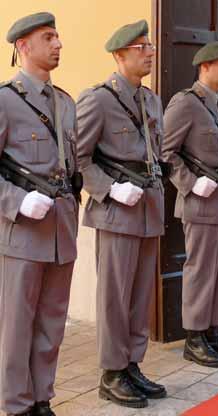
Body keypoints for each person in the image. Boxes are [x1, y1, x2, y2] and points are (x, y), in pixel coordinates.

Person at [76, 20, 167, 408]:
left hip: (147, 208)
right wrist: (109, 189)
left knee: (140, 293)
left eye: (149, 46)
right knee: (114, 295)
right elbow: (76, 159)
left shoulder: (152, 100)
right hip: (116, 210)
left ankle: (131, 363)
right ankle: (111, 373)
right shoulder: (98, 99)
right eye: (141, 47)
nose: (150, 52)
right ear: (120, 55)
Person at [0, 12, 80, 416]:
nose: (58, 43)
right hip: (22, 232)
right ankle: (15, 405)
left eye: (58, 36)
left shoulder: (65, 103)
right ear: (23, 47)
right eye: (49, 37)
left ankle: (41, 398)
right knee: (16, 324)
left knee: (51, 321)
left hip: (60, 229)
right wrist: (14, 201)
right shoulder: (4, 101)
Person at [162, 41, 218, 369]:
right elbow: (165, 152)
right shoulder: (185, 104)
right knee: (200, 270)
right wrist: (190, 182)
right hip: (201, 202)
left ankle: (211, 330)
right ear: (205, 66)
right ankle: (194, 338)